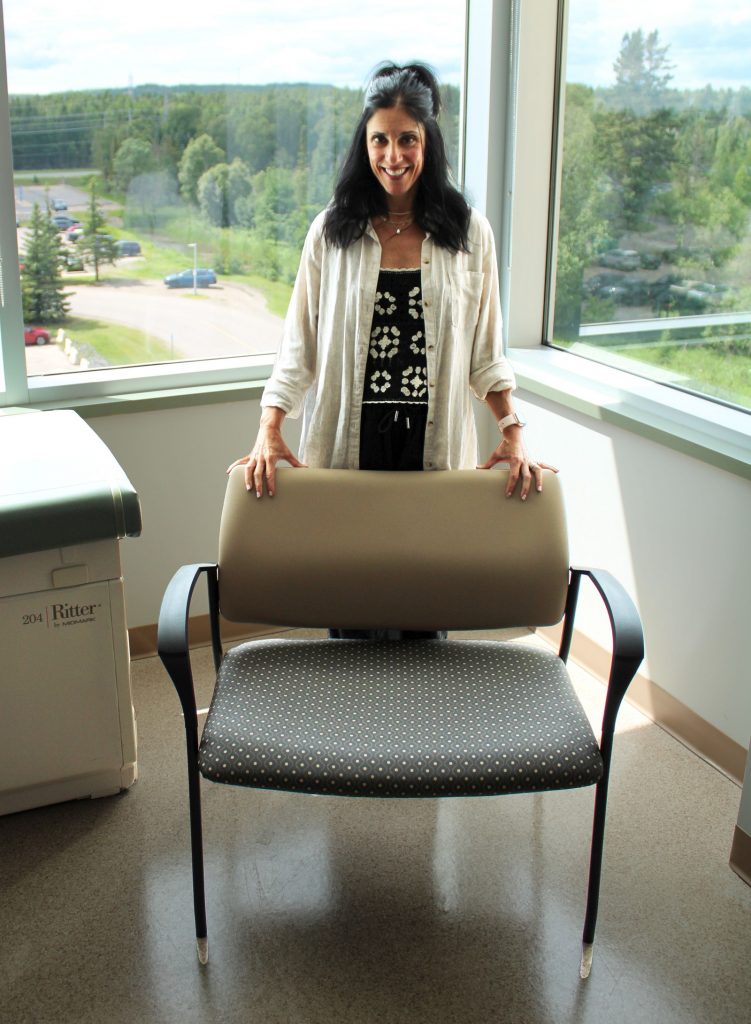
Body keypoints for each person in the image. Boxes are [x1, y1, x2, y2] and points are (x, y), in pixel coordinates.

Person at [228, 62, 555, 496]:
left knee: (431, 562)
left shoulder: (470, 233)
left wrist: (514, 434)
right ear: (364, 144)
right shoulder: (331, 232)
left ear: (428, 143)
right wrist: (268, 429)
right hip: (346, 448)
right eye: (379, 140)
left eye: (407, 140)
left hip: (434, 451)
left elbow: (486, 357)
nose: (393, 156)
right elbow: (298, 350)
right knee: (347, 563)